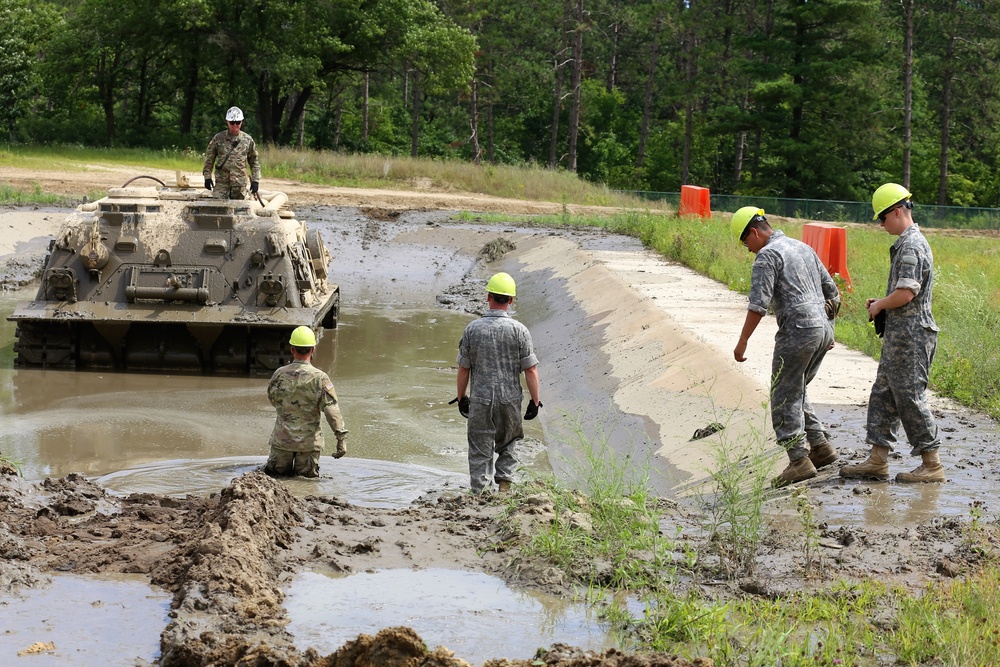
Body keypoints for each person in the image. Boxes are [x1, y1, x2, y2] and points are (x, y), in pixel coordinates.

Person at [730, 207, 841, 488]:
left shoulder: (768, 255)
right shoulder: (802, 247)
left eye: (746, 244)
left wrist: (742, 341)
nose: (749, 251)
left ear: (754, 233)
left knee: (782, 394)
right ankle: (820, 447)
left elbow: (758, 304)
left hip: (798, 330)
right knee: (797, 388)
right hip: (822, 328)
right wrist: (825, 329)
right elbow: (833, 293)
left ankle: (798, 460)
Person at [841, 184, 945, 483]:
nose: (881, 224)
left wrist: (879, 306)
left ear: (897, 211)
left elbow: (906, 294)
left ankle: (932, 463)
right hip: (901, 333)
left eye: (882, 218)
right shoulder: (906, 243)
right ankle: (877, 459)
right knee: (884, 394)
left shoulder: (912, 245)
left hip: (911, 335)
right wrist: (883, 302)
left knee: (910, 396)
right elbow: (901, 293)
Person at [454, 272, 541, 494]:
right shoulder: (520, 330)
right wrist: (535, 401)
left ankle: (480, 494)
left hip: (481, 400)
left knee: (479, 447)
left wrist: (462, 397)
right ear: (510, 300)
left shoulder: (472, 329)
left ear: (488, 297)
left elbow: (464, 368)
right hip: (510, 399)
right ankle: (504, 488)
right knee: (509, 442)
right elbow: (530, 369)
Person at [265, 326, 347, 478]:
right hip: (308, 445)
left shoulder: (279, 374)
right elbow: (331, 409)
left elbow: (273, 399)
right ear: (313, 350)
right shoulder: (320, 378)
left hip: (282, 442)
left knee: (275, 482)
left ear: (292, 350)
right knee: (307, 484)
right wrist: (340, 438)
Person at [203, 106, 261, 200]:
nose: (235, 125)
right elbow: (209, 159)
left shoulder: (248, 140)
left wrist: (255, 180)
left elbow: (254, 162)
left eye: (238, 122)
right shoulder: (218, 138)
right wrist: (207, 177)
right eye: (232, 122)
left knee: (239, 212)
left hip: (239, 184)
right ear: (227, 121)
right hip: (222, 183)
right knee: (218, 208)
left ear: (242, 122)